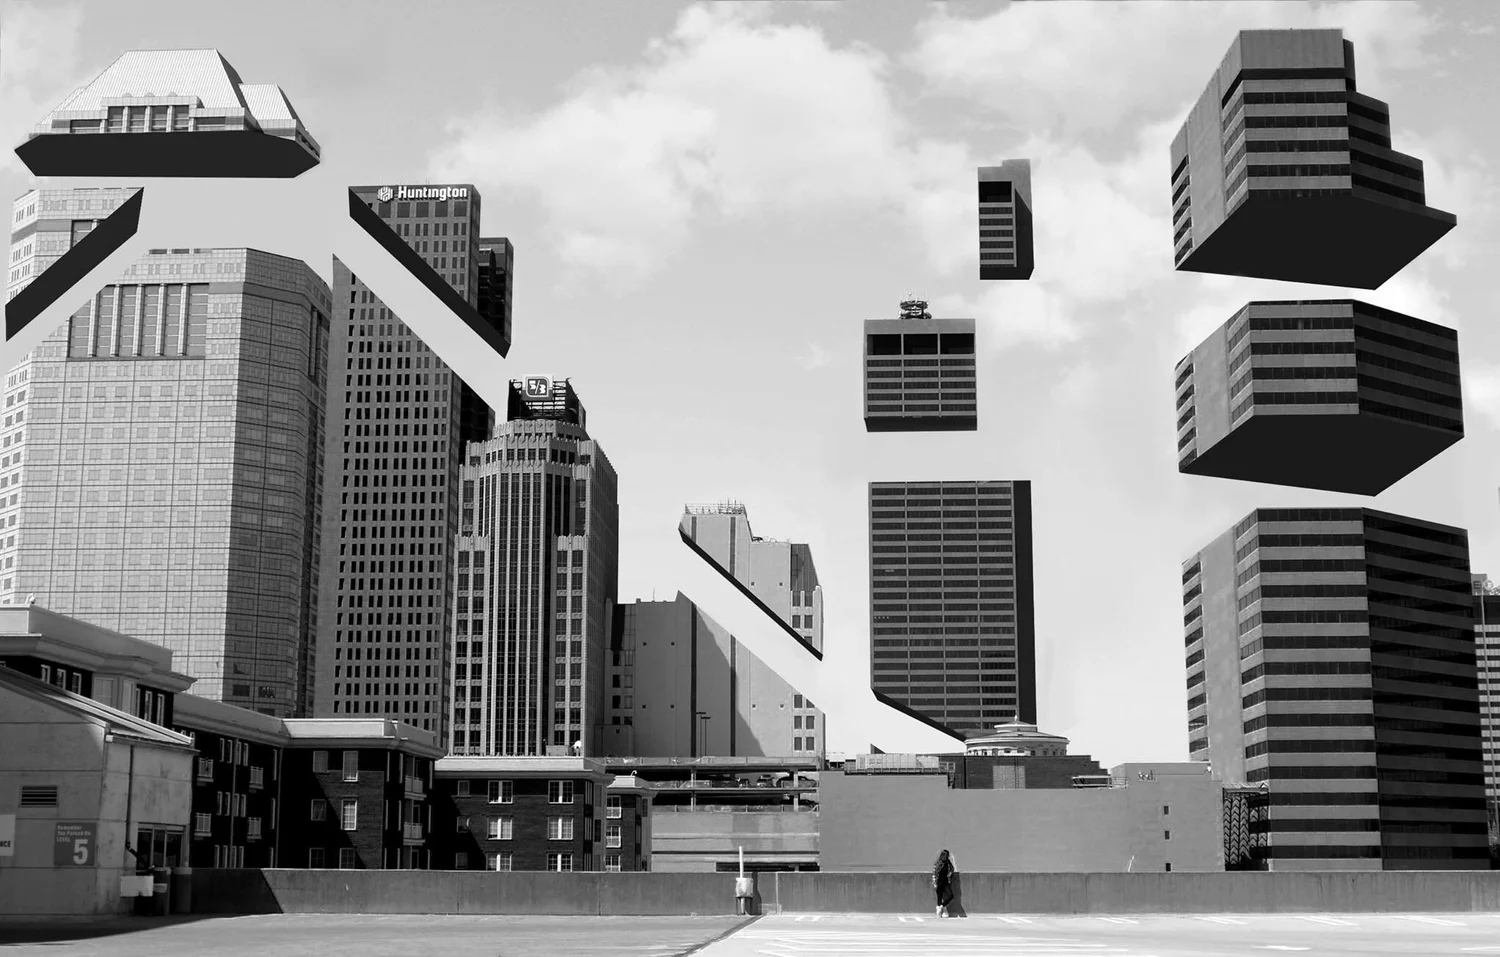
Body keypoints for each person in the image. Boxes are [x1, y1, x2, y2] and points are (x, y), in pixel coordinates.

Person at [932, 848, 955, 917]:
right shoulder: (938, 863)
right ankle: (940, 913)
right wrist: (935, 883)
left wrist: (950, 874)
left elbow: (952, 869)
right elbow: (934, 873)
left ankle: (941, 907)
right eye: (947, 855)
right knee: (939, 897)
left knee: (951, 895)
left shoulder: (948, 863)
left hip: (945, 882)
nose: (948, 857)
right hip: (939, 882)